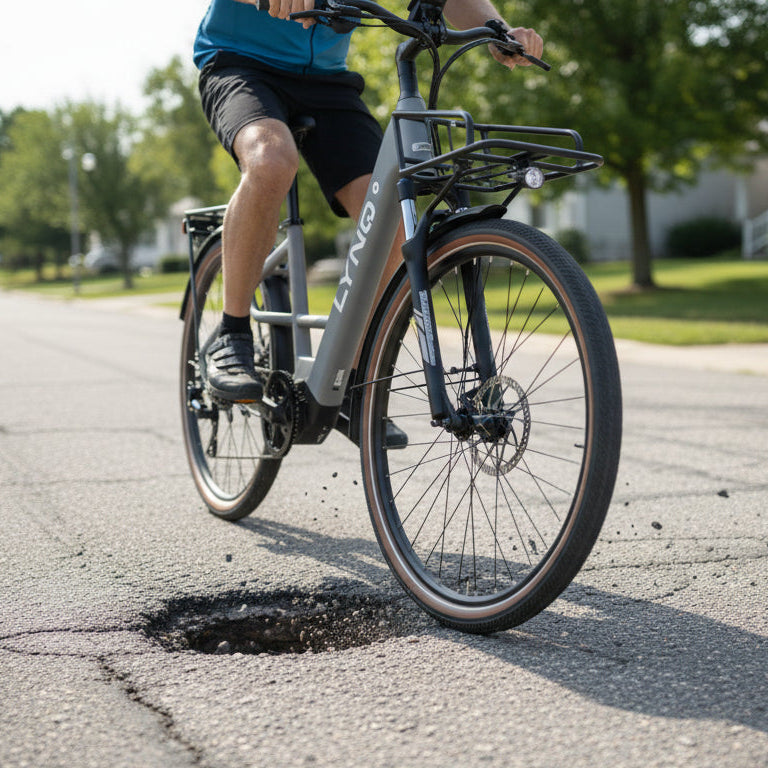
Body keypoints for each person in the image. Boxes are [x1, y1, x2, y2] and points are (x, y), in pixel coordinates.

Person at [194, 0, 543, 406]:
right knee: (271, 161)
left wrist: (499, 29)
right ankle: (232, 335)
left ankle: (353, 383)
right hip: (240, 63)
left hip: (326, 80)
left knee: (394, 215)